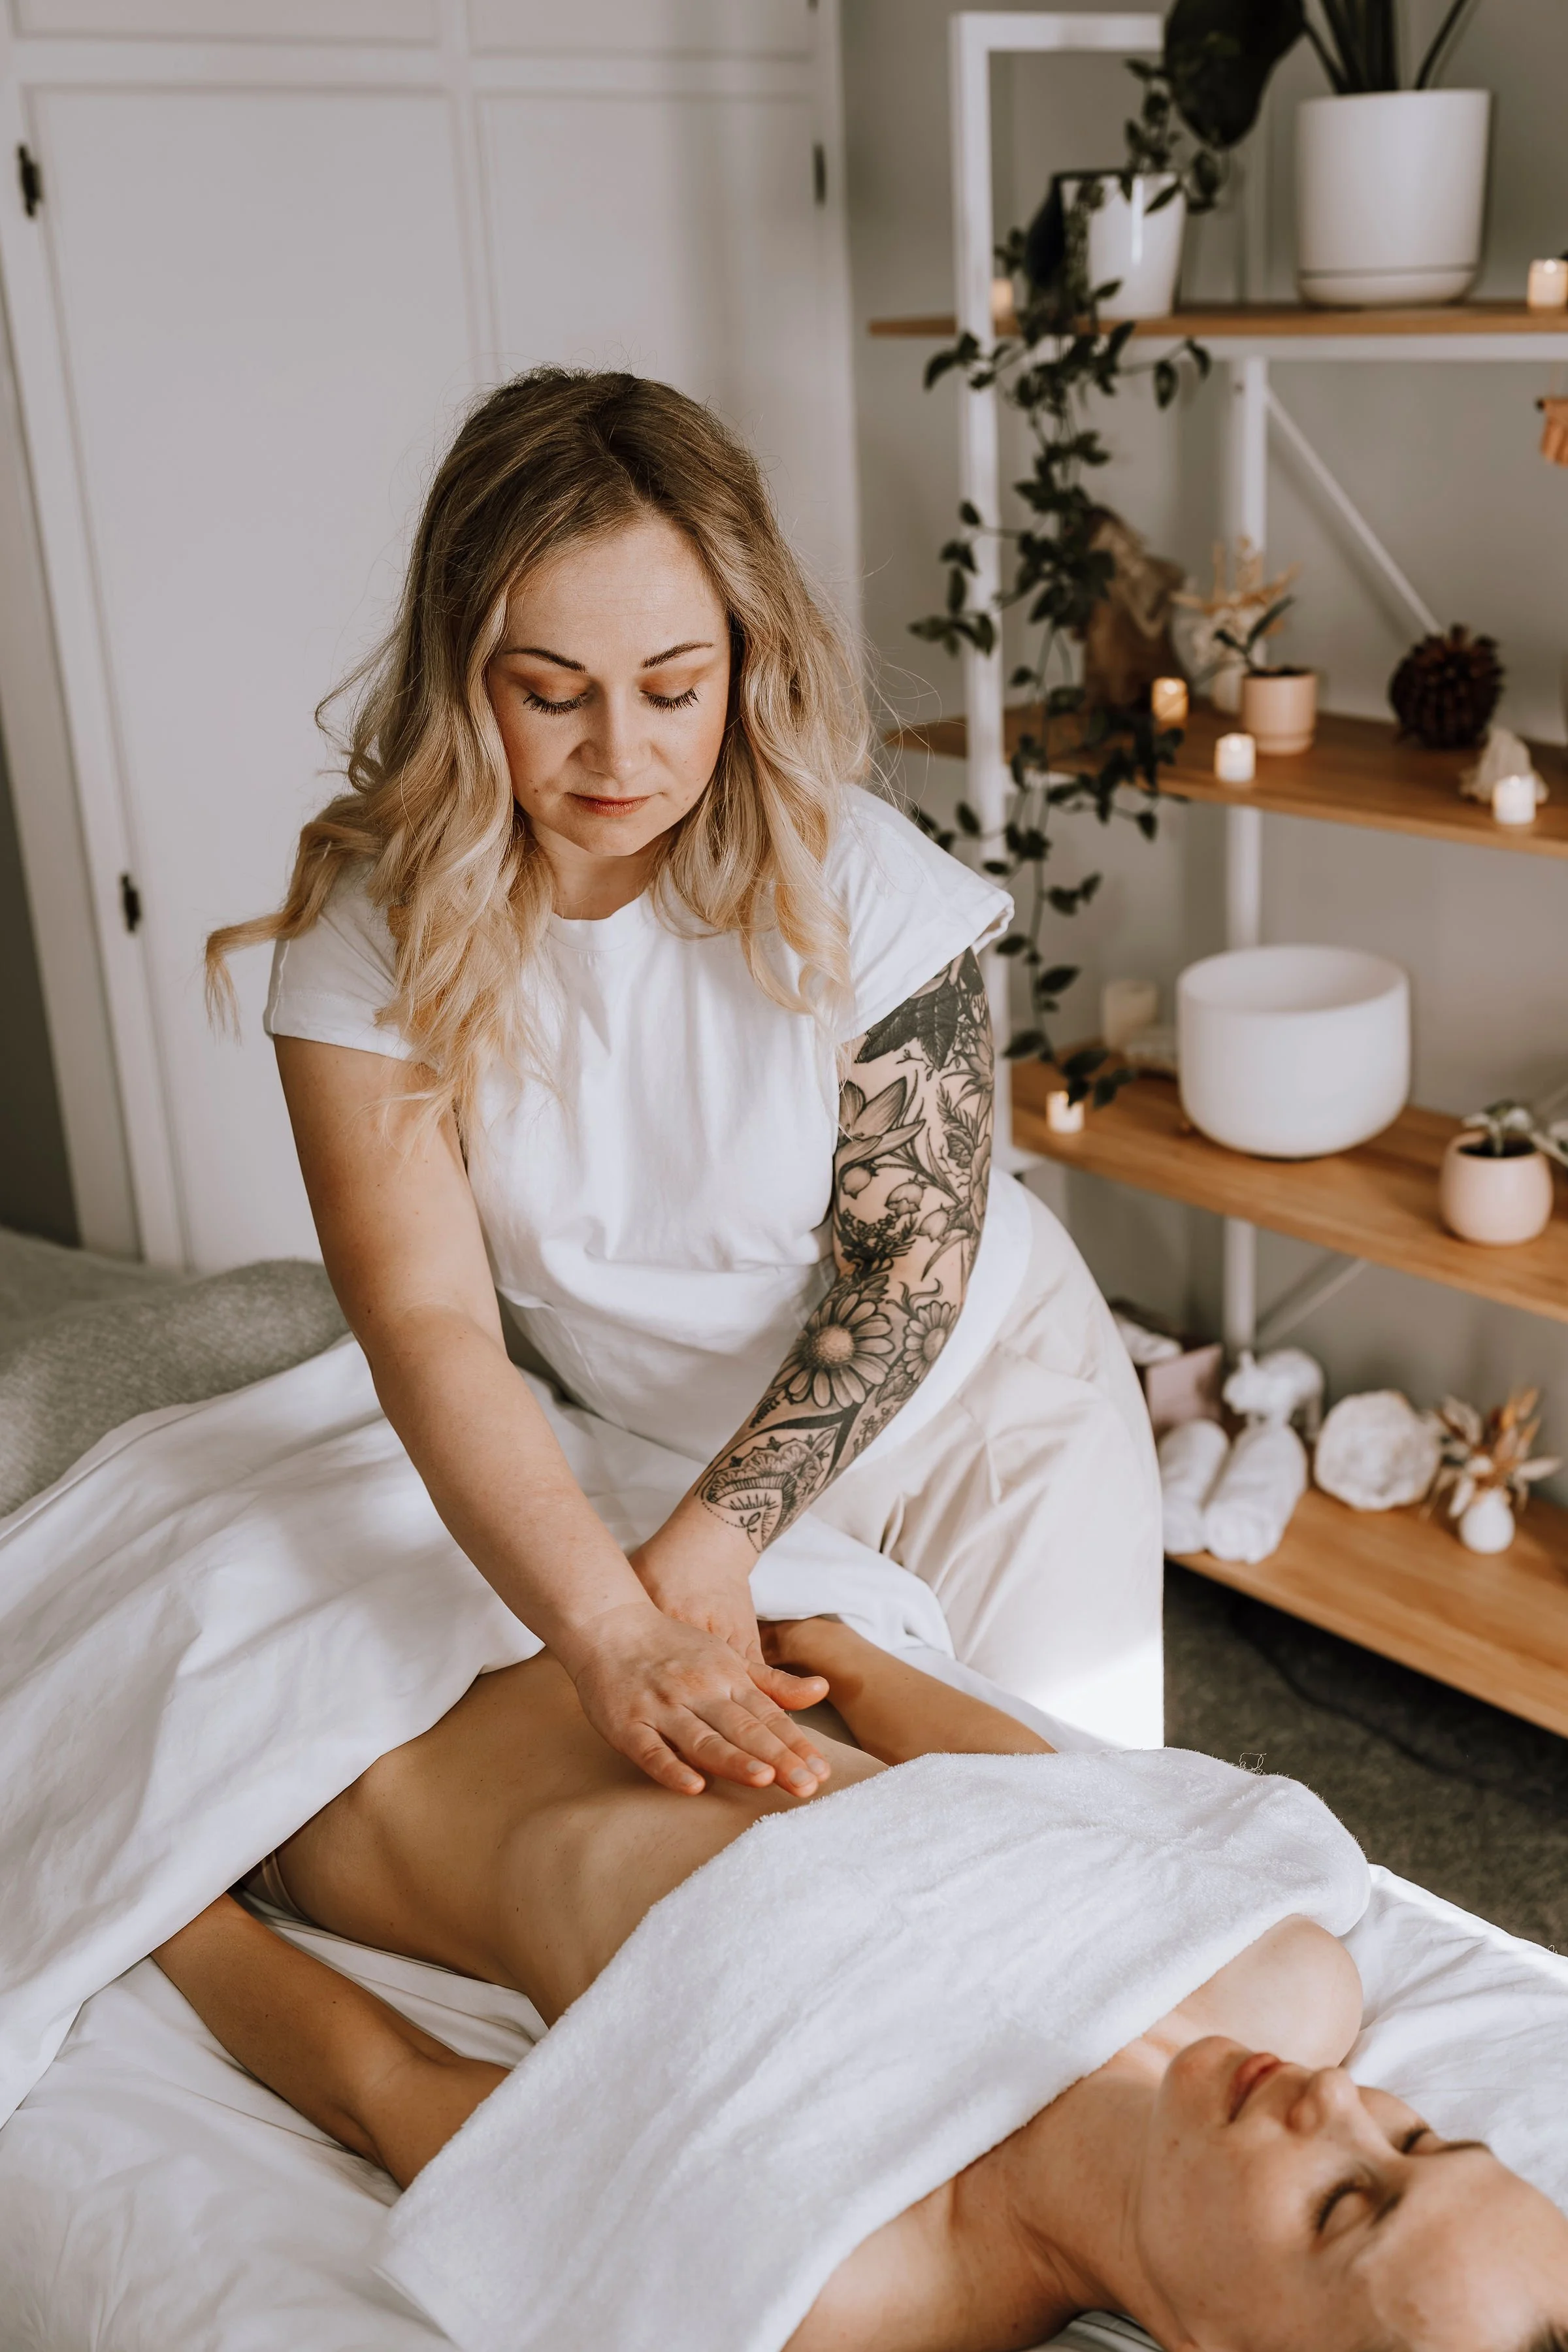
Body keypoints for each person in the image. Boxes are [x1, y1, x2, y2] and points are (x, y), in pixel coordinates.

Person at [208, 367, 1161, 1799]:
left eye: (673, 689)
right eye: (551, 693)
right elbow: (424, 1318)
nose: (620, 753)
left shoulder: (857, 885)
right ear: (463, 676)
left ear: (744, 655)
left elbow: (908, 1265)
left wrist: (718, 1540)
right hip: (668, 1461)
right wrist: (607, 1620)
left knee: (1081, 1827)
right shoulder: (373, 930)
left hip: (982, 1416)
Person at [157, 1618, 1568, 2352]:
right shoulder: (1277, 1978)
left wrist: (166, 1907)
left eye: (1346, 2204)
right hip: (593, 1605)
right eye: (1419, 2137)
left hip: (340, 1750)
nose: (1341, 2107)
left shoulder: (849, 2280)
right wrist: (853, 1658)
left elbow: (392, 2093)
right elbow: (1049, 1791)